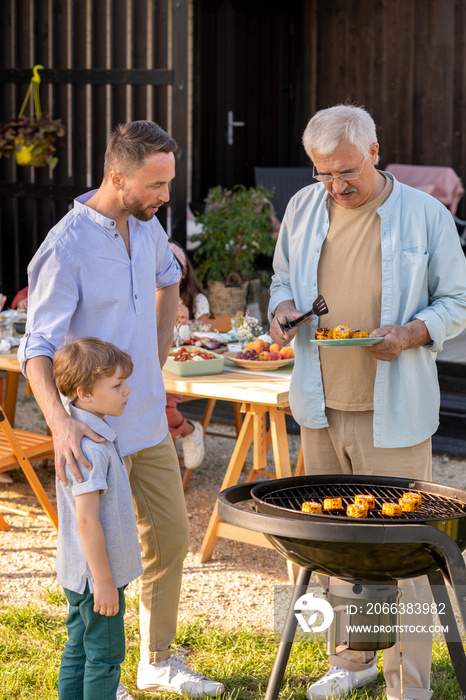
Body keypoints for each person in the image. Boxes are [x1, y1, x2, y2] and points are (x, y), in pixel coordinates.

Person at [18, 120, 224, 699]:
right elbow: (36, 349)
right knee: (99, 556)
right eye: (156, 185)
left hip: (146, 418)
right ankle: (96, 672)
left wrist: (153, 367)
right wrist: (60, 425)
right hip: (90, 434)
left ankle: (156, 660)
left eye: (169, 183)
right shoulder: (66, 247)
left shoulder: (150, 229)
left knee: (170, 536)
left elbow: (168, 286)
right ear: (117, 176)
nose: (165, 197)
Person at [269, 104, 466, 700]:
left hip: (396, 410)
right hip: (320, 406)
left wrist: (409, 334)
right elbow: (282, 279)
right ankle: (350, 661)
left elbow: (457, 300)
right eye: (323, 174)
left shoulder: (425, 215)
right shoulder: (303, 209)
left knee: (404, 555)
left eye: (346, 172)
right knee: (332, 544)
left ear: (374, 152)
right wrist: (280, 309)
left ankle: (410, 685)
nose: (335, 186)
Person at [53, 338, 142, 700]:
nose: (127, 391)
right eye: (117, 385)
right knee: (104, 656)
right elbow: (87, 521)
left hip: (79, 574)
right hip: (97, 578)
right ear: (84, 394)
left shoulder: (88, 434)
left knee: (78, 648)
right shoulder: (89, 448)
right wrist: (105, 584)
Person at [166, 241, 209, 469]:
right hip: (160, 366)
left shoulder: (196, 300)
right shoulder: (151, 297)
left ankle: (189, 429)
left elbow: (205, 337)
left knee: (160, 407)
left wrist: (182, 321)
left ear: (183, 271)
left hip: (184, 366)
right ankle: (188, 428)